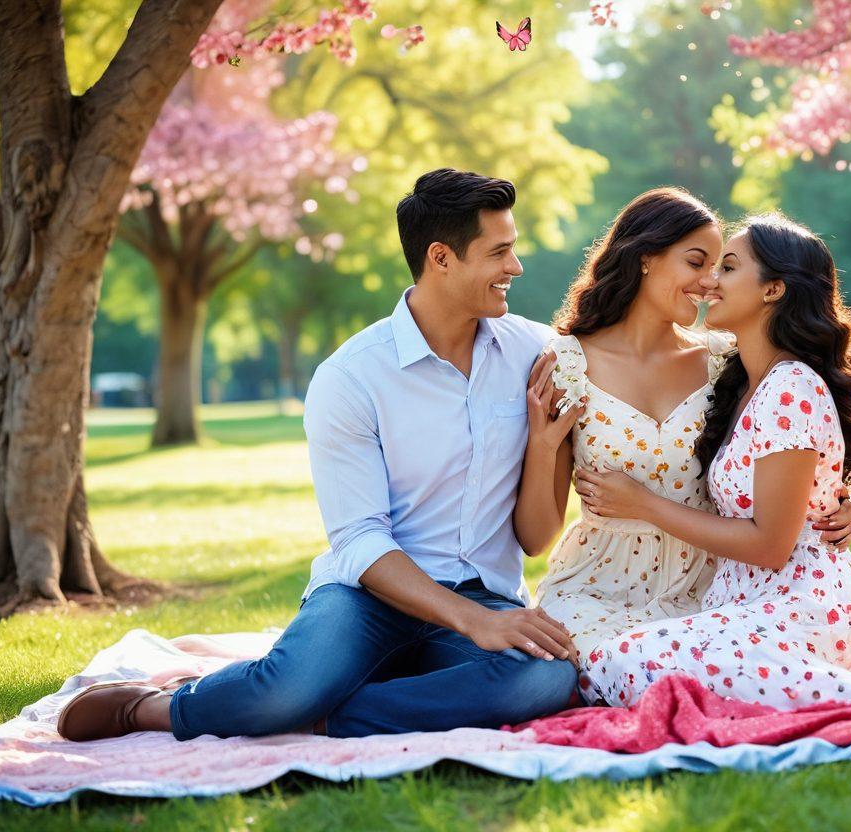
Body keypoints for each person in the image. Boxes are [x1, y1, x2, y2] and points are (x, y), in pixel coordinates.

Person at [57, 169, 580, 742]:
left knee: (545, 679)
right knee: (286, 686)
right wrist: (472, 622)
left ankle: (327, 714)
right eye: (499, 251)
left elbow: (535, 541)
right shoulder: (352, 377)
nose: (516, 267)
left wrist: (543, 447)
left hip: (483, 591)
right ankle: (154, 708)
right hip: (369, 596)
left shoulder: (537, 354)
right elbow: (359, 540)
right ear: (441, 258)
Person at [572, 213, 851, 708]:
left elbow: (770, 545)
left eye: (727, 268)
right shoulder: (741, 380)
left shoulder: (790, 387)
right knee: (613, 665)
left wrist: (642, 504)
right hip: (756, 604)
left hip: (803, 606)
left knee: (620, 664)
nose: (709, 282)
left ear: (773, 290)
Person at [516, 191, 851, 701]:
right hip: (597, 586)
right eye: (696, 262)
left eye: (720, 266)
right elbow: (536, 538)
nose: (708, 282)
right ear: (645, 258)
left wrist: (832, 506)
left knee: (688, 685)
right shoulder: (568, 366)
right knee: (591, 671)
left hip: (714, 588)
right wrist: (542, 450)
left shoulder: (726, 359)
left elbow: (789, 446)